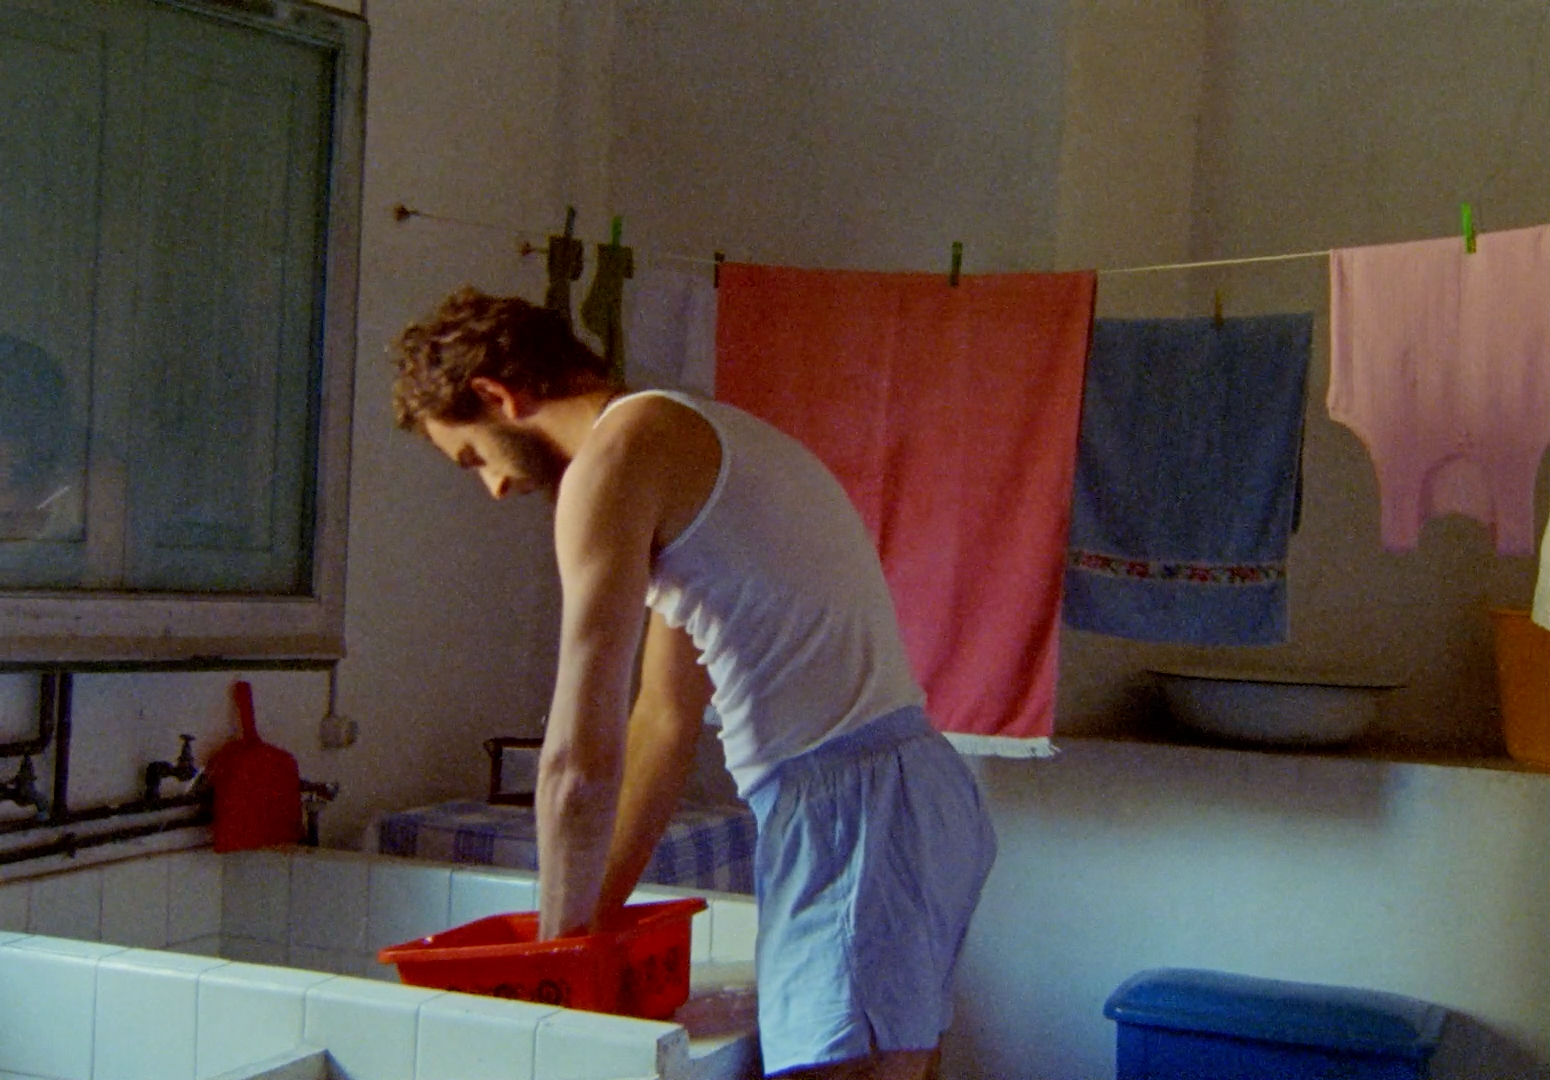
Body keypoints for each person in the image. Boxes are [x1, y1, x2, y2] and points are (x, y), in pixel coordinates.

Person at [391, 285, 997, 1080]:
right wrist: (588, 930)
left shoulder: (613, 462)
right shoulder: (685, 432)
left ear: (495, 396)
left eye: (473, 456)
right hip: (906, 796)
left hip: (851, 809)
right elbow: (662, 723)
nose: (494, 488)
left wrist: (551, 974)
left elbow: (578, 757)